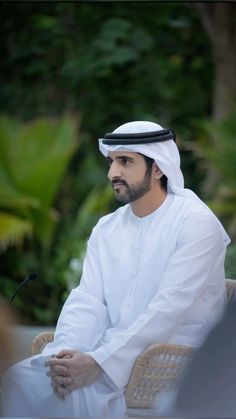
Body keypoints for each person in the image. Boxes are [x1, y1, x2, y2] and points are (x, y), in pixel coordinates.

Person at [2, 120, 230, 417]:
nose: (112, 173)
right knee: (19, 381)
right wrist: (64, 355)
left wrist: (99, 364)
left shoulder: (196, 224)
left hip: (168, 360)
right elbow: (88, 300)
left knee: (76, 395)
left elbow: (169, 309)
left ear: (159, 167)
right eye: (111, 162)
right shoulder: (107, 228)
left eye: (125, 162)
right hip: (105, 353)